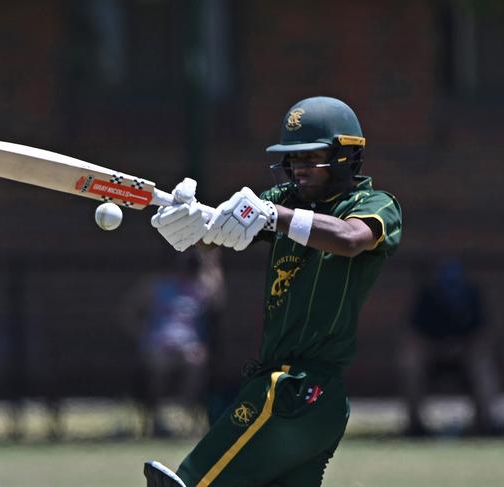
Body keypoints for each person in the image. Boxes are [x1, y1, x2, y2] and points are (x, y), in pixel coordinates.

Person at [143, 96, 402, 487]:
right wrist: (195, 223)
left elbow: (351, 239)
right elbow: (225, 233)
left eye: (309, 158)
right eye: (291, 159)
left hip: (296, 388)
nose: (297, 169)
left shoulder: (374, 204)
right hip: (304, 396)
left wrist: (274, 217)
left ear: (346, 156)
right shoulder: (285, 200)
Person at [124, 248, 225, 437]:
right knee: (158, 365)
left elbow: (218, 295)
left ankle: (182, 411)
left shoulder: (201, 288)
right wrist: (141, 334)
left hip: (189, 345)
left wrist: (211, 260)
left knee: (196, 362)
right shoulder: (158, 285)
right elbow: (130, 310)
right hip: (159, 344)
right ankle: (158, 416)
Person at [400, 258, 502, 436]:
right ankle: (415, 426)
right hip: (433, 355)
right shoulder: (427, 298)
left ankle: (486, 423)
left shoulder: (472, 297)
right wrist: (437, 348)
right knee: (410, 361)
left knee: (482, 363)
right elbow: (413, 335)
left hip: (465, 357)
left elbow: (484, 334)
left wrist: (461, 348)